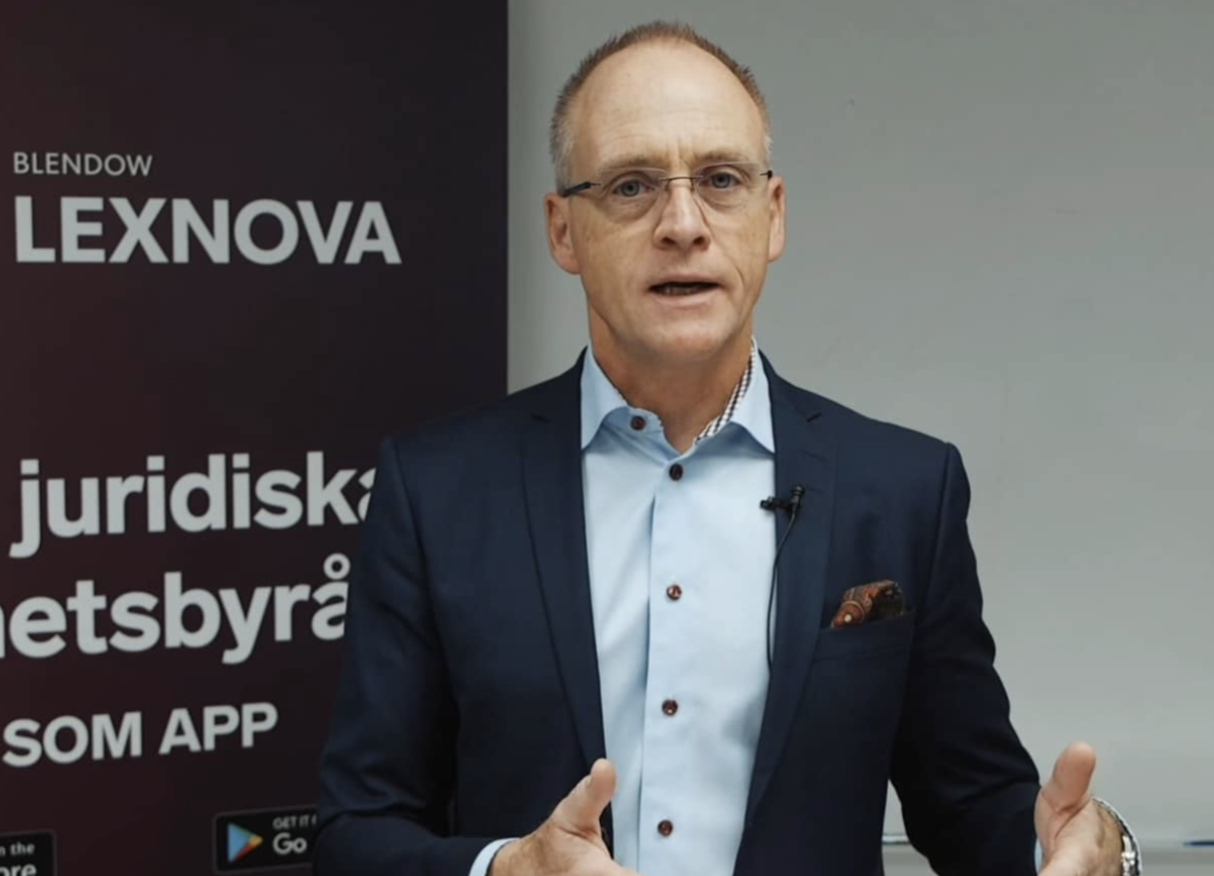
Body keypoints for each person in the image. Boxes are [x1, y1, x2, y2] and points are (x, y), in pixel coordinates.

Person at [314, 20, 1140, 876]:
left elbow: (972, 806)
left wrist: (1086, 845)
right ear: (563, 231)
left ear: (771, 216)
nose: (683, 224)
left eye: (720, 180)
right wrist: (505, 870)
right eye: (632, 185)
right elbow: (356, 834)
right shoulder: (437, 492)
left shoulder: (902, 491)